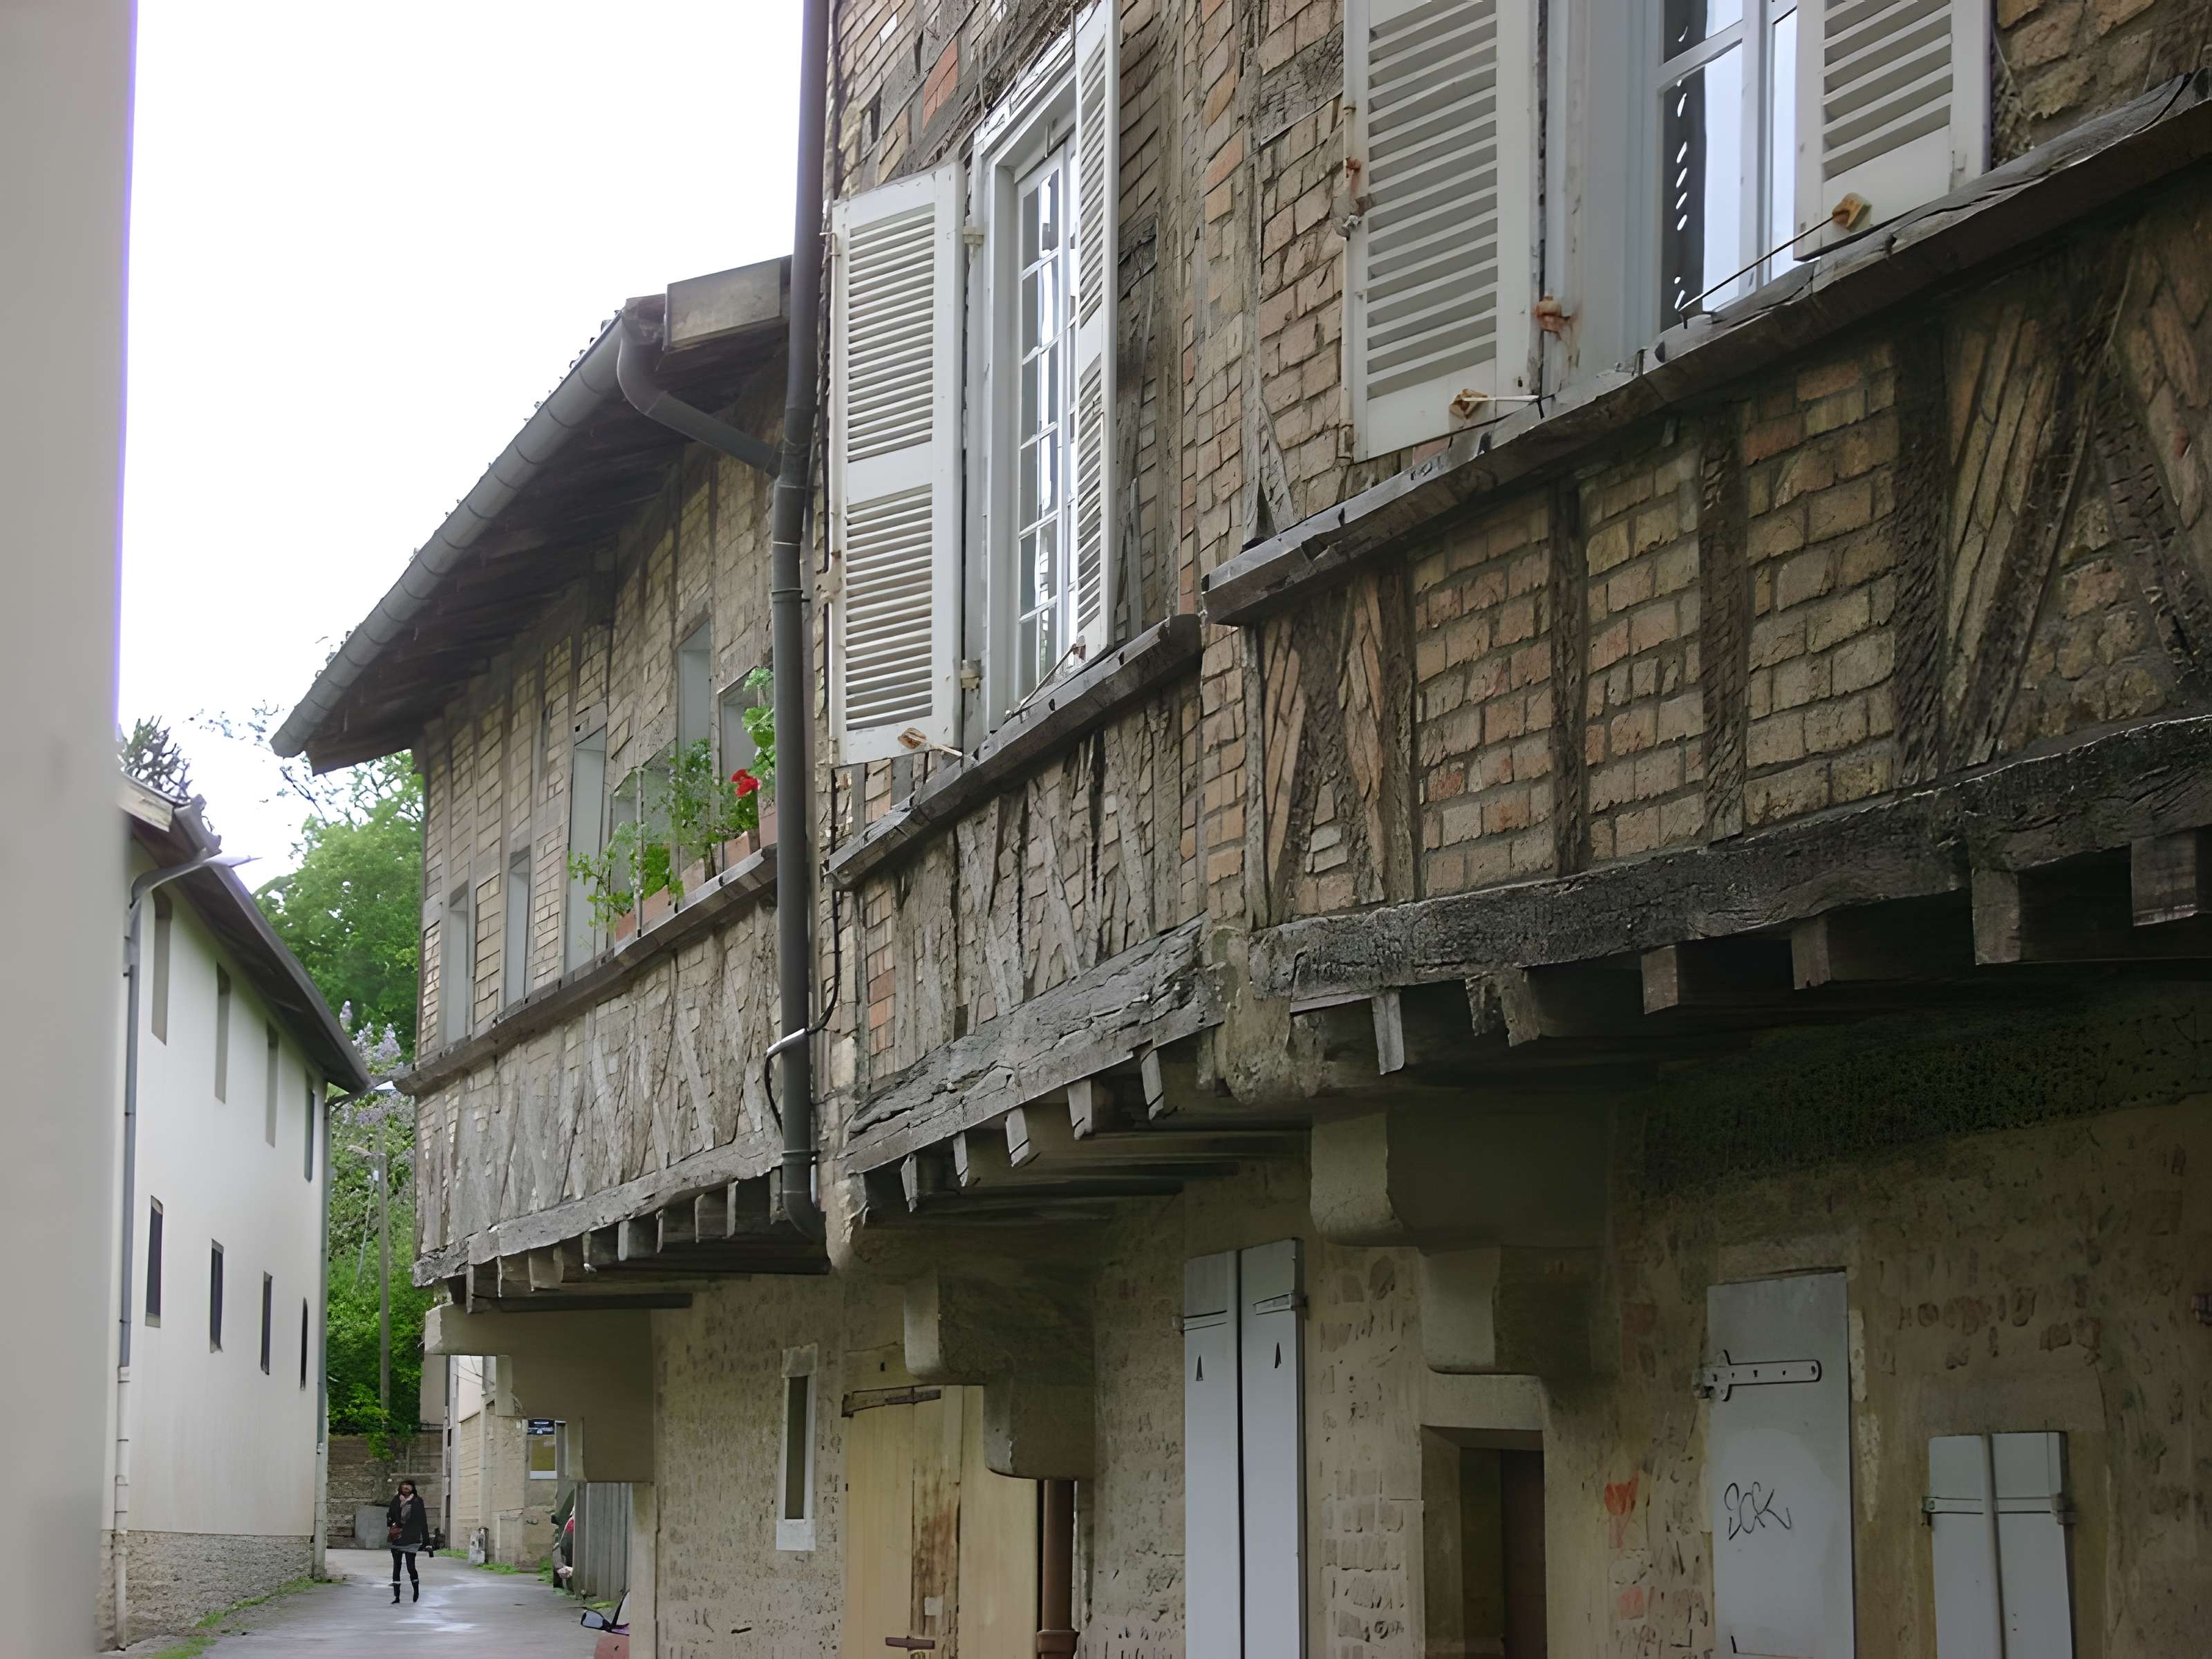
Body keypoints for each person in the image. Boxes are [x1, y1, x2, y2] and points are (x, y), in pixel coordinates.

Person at [386, 1479, 429, 1604]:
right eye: (403, 1485)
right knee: (397, 1566)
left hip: (412, 1538)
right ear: (400, 1487)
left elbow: (423, 1521)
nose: (406, 1487)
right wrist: (391, 1522)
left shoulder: (417, 1501)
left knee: (411, 1566)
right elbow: (389, 1516)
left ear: (413, 1488)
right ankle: (397, 1596)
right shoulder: (396, 1500)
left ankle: (416, 1591)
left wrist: (426, 1541)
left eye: (408, 1485)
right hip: (398, 1537)